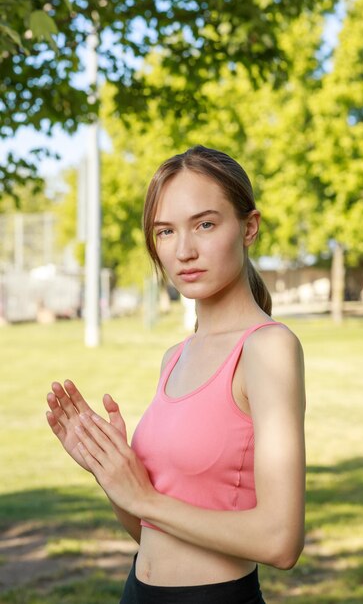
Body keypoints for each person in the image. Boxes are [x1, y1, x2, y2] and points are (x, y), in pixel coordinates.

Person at [46, 145, 306, 604]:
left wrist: (146, 500)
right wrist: (112, 474)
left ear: (249, 227)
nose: (184, 250)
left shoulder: (267, 347)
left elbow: (280, 541)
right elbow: (149, 532)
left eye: (205, 224)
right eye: (165, 232)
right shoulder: (176, 356)